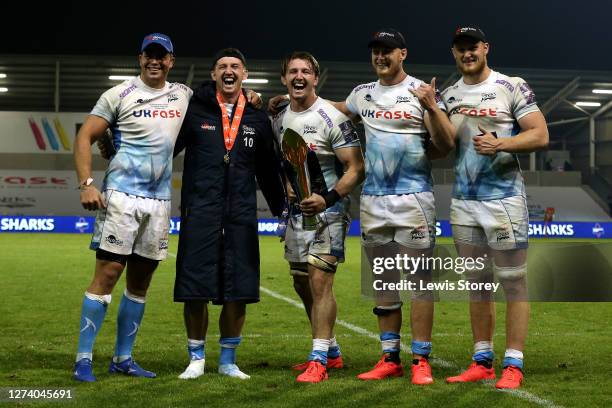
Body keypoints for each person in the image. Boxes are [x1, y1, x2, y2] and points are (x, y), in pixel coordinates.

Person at [72, 33, 193, 382]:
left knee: (140, 282)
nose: (155, 61)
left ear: (171, 61)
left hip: (159, 203)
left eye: (162, 56)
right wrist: (86, 184)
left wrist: (259, 97)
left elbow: (224, 99)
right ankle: (83, 359)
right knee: (108, 274)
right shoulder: (119, 94)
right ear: (140, 58)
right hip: (121, 197)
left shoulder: (183, 94)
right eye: (149, 55)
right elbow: (85, 137)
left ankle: (123, 358)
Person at [442, 26, 548, 389]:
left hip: (504, 200)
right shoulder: (449, 94)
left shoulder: (511, 85)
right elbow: (439, 143)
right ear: (454, 53)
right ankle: (482, 360)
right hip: (464, 203)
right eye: (460, 49)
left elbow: (539, 133)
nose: (467, 53)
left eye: (473, 47)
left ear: (486, 48)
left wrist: (501, 144)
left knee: (513, 283)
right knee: (477, 282)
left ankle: (514, 364)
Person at [173, 48, 286, 380]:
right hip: (200, 212)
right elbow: (166, 148)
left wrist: (282, 211)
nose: (228, 71)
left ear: (245, 74)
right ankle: (196, 359)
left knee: (239, 287)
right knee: (195, 287)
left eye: (235, 66)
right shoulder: (194, 111)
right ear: (213, 75)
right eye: (222, 66)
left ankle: (227, 360)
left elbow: (268, 171)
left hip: (240, 213)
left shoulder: (256, 118)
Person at [271, 51, 365, 383]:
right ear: (284, 79)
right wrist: (289, 187)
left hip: (331, 210)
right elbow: (284, 161)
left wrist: (327, 199)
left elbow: (357, 167)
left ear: (315, 77)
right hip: (298, 212)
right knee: (300, 280)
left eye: (305, 72)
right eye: (292, 71)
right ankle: (333, 351)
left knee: (320, 279)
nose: (299, 76)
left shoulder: (332, 118)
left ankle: (319, 360)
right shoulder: (280, 118)